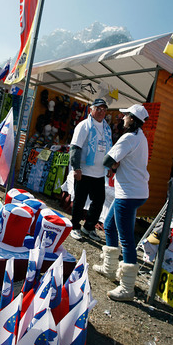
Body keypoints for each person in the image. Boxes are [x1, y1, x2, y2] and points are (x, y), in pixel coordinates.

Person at [93, 104, 150, 301]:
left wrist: (114, 165)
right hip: (133, 191)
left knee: (126, 239)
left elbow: (108, 160)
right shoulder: (140, 137)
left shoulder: (128, 138)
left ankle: (127, 287)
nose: (123, 117)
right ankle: (110, 269)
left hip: (129, 193)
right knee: (109, 226)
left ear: (132, 119)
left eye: (126, 115)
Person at [69, 98, 113, 241]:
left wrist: (110, 166)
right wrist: (76, 168)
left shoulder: (107, 128)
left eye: (104, 109)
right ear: (91, 110)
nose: (101, 112)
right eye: (98, 109)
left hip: (99, 173)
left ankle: (88, 227)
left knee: (99, 200)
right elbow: (75, 147)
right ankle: (74, 226)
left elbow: (109, 149)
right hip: (84, 171)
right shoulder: (84, 126)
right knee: (80, 201)